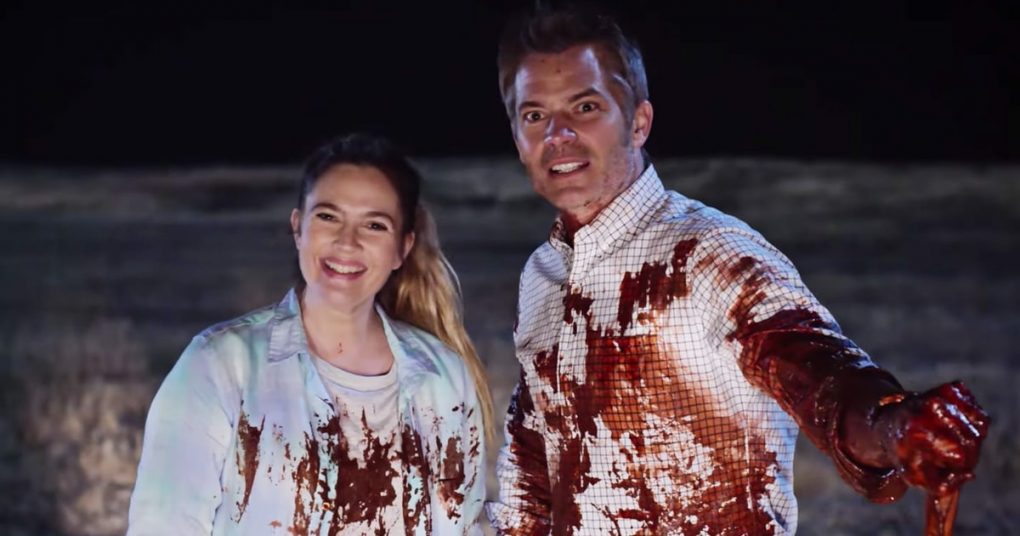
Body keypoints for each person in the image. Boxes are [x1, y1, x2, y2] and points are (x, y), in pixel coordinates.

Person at [486, 5, 989, 535]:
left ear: (638, 123)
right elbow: (532, 461)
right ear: (518, 139)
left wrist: (892, 425)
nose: (558, 134)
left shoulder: (709, 252)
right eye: (534, 116)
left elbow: (818, 370)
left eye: (585, 107)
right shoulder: (542, 276)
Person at [129, 133, 491, 535]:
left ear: (401, 249)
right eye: (328, 217)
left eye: (374, 225)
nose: (347, 242)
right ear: (298, 226)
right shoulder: (220, 365)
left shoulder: (443, 377)